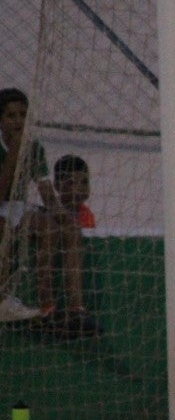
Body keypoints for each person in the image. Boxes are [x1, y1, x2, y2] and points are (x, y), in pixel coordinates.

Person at [0, 87, 98, 335]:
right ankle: (46, 306)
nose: (18, 121)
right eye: (11, 116)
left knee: (68, 228)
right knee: (46, 226)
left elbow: (46, 193)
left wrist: (63, 216)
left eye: (23, 115)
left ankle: (75, 308)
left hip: (17, 208)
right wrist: (14, 151)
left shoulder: (34, 148)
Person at [53, 154, 96, 229]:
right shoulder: (50, 212)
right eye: (72, 182)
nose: (80, 188)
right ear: (57, 186)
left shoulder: (87, 214)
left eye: (84, 182)